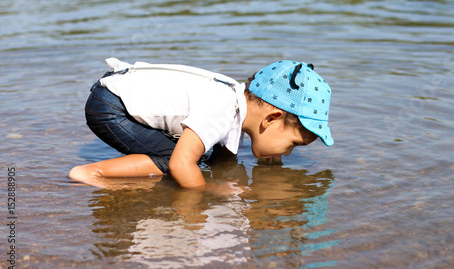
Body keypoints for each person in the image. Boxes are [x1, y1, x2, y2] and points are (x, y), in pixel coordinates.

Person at [68, 58, 334, 193]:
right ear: (271, 118)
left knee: (202, 154)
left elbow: (225, 156)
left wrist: (266, 164)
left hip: (117, 91)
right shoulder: (222, 108)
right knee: (174, 159)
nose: (287, 154)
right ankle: (91, 173)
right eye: (292, 145)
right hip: (111, 106)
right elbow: (180, 165)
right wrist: (209, 190)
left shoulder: (237, 101)